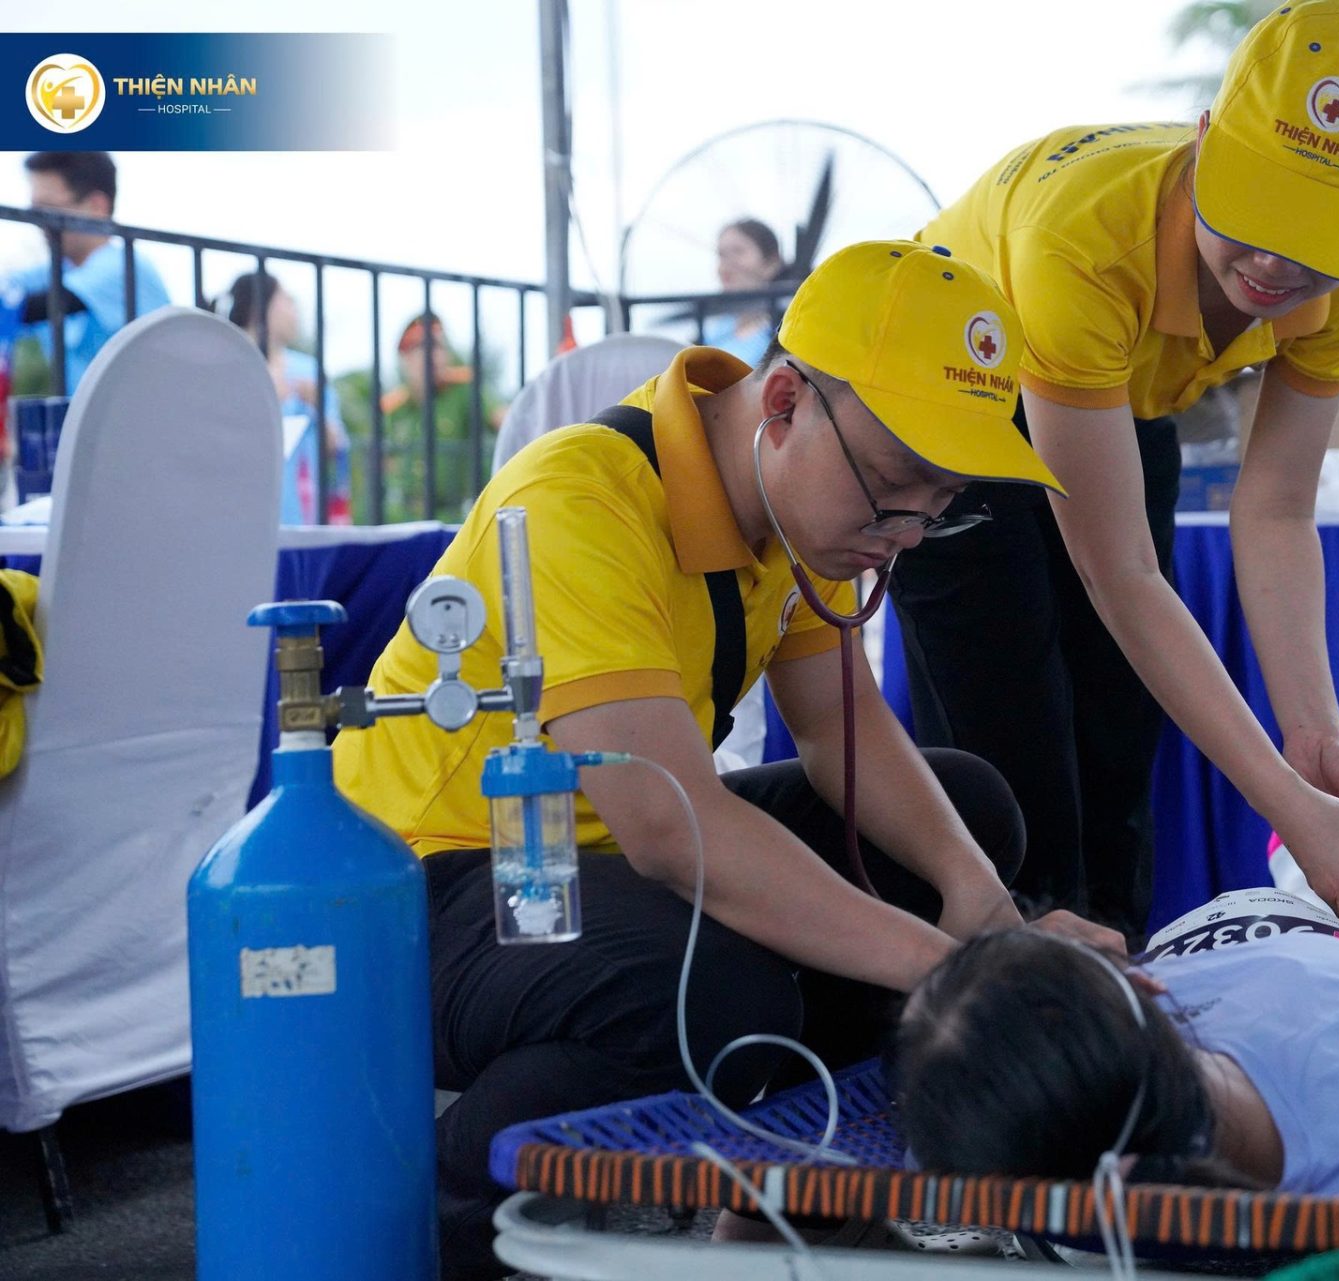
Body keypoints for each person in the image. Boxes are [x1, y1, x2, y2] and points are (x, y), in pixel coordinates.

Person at [332, 240, 1122, 1278]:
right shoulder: (581, 495)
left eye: (940, 506)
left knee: (966, 817)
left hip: (597, 857)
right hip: (424, 880)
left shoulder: (787, 516)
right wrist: (962, 972)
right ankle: (428, 1234)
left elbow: (843, 733)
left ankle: (795, 1212)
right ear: (784, 403)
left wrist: (982, 906)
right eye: (894, 492)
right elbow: (672, 828)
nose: (907, 537)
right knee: (717, 987)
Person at [890, 0, 1339, 938]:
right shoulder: (1085, 237)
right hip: (954, 397)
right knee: (1010, 743)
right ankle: (1010, 1018)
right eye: (1260, 210)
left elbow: (1273, 513)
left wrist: (1314, 737)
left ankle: (1125, 986)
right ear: (1206, 139)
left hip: (1117, 392)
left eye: (1316, 234)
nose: (1273, 262)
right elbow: (1123, 572)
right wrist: (1289, 809)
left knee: (1118, 735)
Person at [892, 842, 1339, 1196]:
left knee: (1325, 891)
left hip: (1228, 945)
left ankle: (1301, 880)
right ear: (1145, 988)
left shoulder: (1007, 1134)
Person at [7, 152, 169, 395]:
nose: (38, 222)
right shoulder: (57, 270)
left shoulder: (124, 267)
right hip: (94, 426)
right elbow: (7, 294)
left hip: (150, 422)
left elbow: (34, 306)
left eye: (48, 210)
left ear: (96, 206)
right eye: (34, 211)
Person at [340, 312, 507, 523]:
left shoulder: (464, 392)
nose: (435, 356)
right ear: (406, 358)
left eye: (440, 347)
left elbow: (506, 421)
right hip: (401, 518)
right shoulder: (394, 408)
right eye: (424, 348)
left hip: (452, 518)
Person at [217, 269, 351, 524]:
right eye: (286, 301)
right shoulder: (225, 366)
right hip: (237, 511)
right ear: (261, 307)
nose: (294, 310)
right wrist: (269, 398)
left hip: (302, 514)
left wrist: (317, 405)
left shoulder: (308, 370)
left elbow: (335, 447)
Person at [707, 218, 787, 365]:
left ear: (771, 263)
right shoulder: (714, 329)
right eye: (721, 255)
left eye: (738, 252)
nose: (726, 265)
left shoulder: (786, 331)